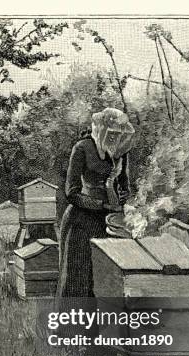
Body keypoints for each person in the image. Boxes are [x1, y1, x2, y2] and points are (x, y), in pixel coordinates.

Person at [56, 108, 135, 300]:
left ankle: (101, 329)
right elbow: (72, 193)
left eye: (119, 135)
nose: (116, 139)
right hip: (81, 222)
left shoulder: (121, 152)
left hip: (107, 224)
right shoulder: (82, 148)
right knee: (77, 280)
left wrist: (125, 199)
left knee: (103, 280)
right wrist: (103, 205)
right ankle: (71, 329)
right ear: (102, 130)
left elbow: (124, 185)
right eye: (113, 134)